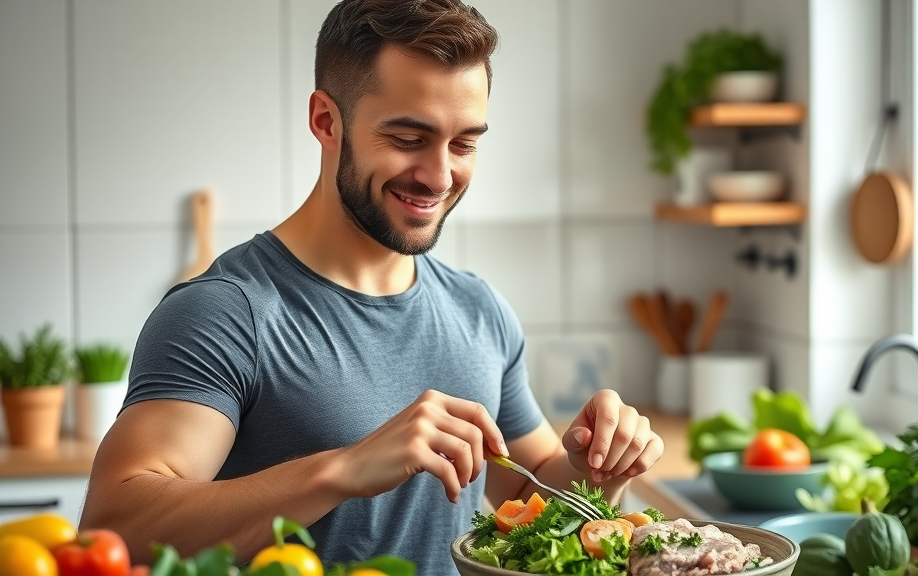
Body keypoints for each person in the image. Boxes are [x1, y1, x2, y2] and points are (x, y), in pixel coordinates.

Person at [79, 0, 664, 573]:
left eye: (464, 143)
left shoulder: (479, 309)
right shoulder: (226, 311)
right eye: (409, 138)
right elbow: (116, 527)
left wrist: (594, 466)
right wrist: (343, 470)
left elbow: (527, 486)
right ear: (326, 121)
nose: (439, 176)